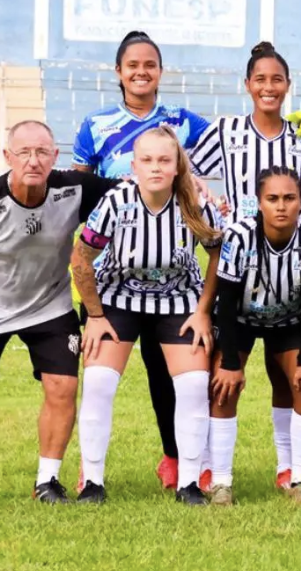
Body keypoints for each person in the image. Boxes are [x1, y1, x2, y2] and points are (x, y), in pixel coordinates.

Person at [0, 121, 119, 504]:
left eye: (43, 152)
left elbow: (136, 192)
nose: (34, 160)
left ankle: (48, 481)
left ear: (55, 157)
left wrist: (189, 185)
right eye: (24, 152)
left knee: (63, 386)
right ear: (7, 157)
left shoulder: (75, 189)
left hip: (50, 304)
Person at [71, 30, 210, 491]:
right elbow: (81, 241)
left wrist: (204, 311)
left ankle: (188, 477)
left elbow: (218, 251)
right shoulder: (98, 131)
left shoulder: (183, 125)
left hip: (176, 296)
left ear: (176, 164)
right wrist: (93, 315)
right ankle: (92, 480)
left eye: (150, 64)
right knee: (99, 381)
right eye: (132, 64)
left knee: (185, 385)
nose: (141, 71)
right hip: (118, 289)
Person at [189, 41, 301, 492]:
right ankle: (212, 468)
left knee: (289, 379)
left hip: (291, 272)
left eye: (277, 79)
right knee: (223, 376)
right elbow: (186, 170)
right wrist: (209, 205)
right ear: (247, 85)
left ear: (287, 86)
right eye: (260, 79)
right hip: (237, 269)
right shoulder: (226, 130)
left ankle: (290, 469)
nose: (269, 87)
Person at [209, 166, 301, 506]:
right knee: (223, 387)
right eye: (272, 198)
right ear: (259, 203)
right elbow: (228, 299)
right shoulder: (238, 236)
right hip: (241, 318)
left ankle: (300, 479)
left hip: (291, 321)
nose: (281, 206)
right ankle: (221, 482)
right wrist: (231, 363)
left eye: (290, 198)